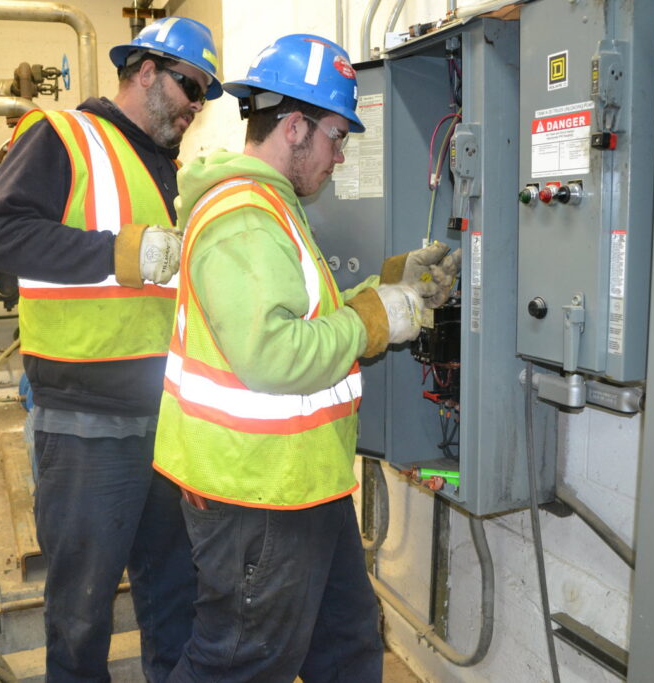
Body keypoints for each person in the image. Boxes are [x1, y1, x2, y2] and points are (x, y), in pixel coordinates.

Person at [152, 34, 460, 682]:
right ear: (294, 126)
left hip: (302, 484)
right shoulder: (245, 216)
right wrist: (376, 321)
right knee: (238, 663)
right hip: (257, 497)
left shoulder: (272, 209)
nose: (340, 157)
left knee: (346, 645)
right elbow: (273, 355)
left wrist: (388, 289)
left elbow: (305, 315)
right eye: (336, 137)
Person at [0, 17, 222, 683]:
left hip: (164, 424)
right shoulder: (64, 138)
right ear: (146, 72)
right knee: (82, 615)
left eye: (204, 95)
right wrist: (117, 253)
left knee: (175, 595)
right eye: (192, 87)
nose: (198, 106)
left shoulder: (169, 170)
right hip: (84, 425)